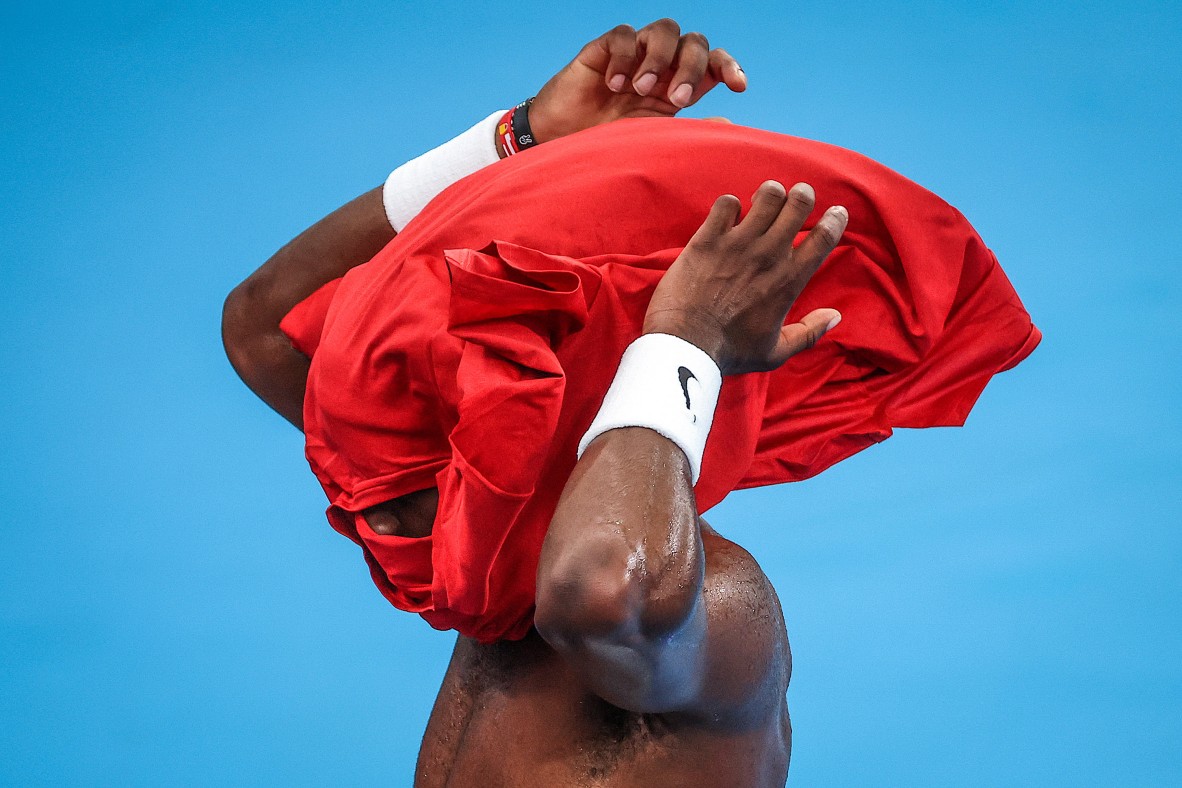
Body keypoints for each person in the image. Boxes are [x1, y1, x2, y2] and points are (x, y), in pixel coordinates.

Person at [223, 20, 1038, 787]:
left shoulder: (711, 599)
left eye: (522, 349)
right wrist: (522, 141)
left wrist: (688, 337)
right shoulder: (498, 526)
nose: (472, 367)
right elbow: (269, 332)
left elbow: (602, 596)